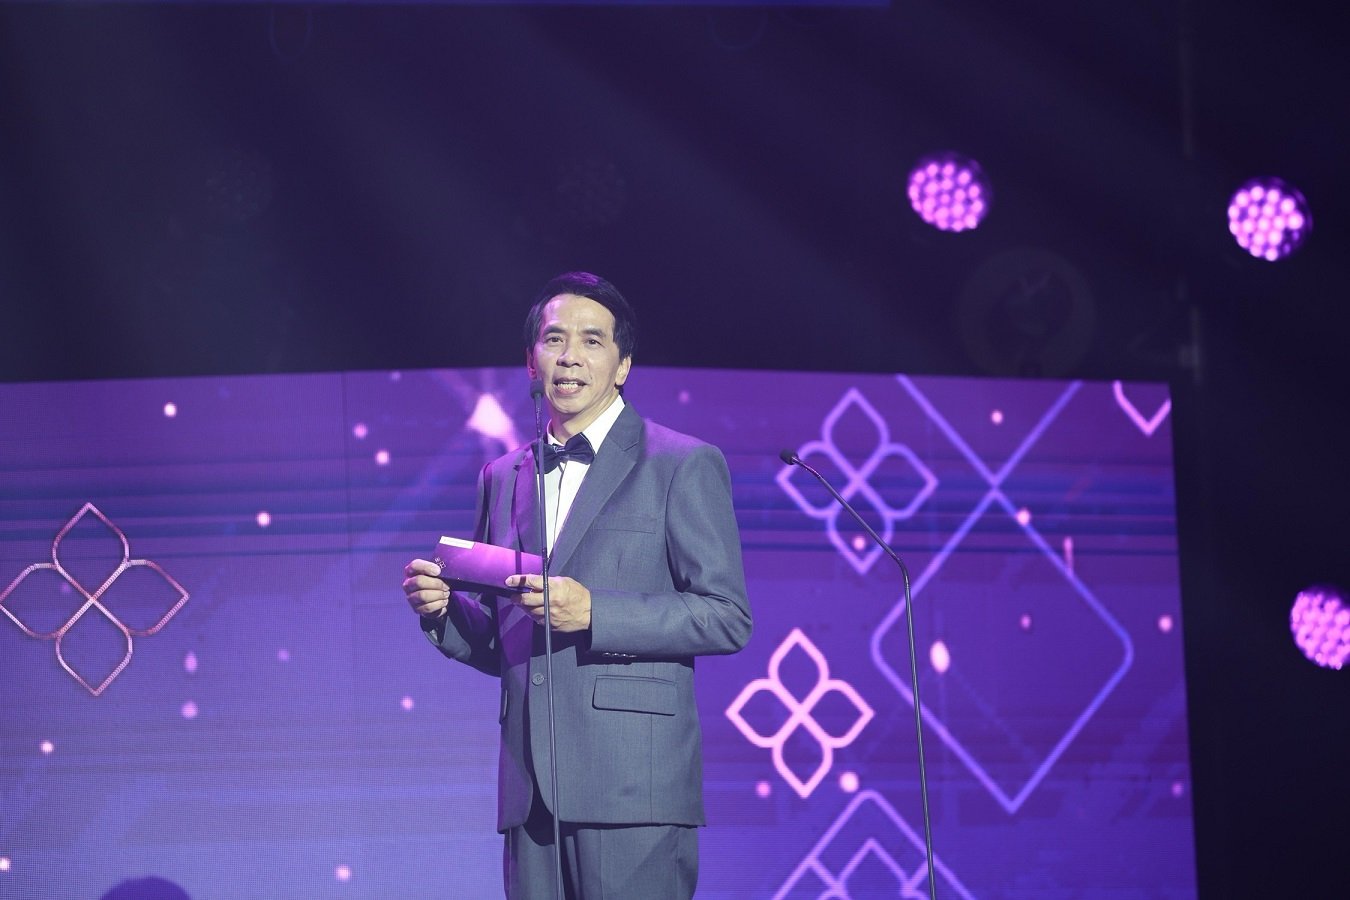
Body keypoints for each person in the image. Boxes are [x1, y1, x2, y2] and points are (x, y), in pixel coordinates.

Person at [401, 271, 752, 899]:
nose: (569, 356)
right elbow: (505, 640)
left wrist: (595, 612)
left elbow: (726, 616)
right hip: (530, 789)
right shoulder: (502, 475)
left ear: (623, 366)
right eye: (553, 339)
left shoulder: (681, 463)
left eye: (592, 341)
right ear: (531, 362)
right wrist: (443, 611)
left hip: (633, 786)